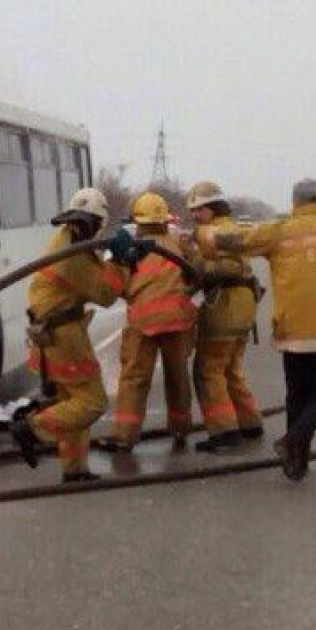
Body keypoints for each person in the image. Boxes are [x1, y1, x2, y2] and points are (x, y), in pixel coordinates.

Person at [195, 178, 316, 480]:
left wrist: (200, 234)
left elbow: (233, 240)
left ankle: (296, 460)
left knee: (297, 394)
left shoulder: (278, 231)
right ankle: (293, 443)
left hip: (293, 330)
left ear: (295, 202)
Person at [11, 188, 127, 482]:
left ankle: (74, 470)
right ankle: (32, 428)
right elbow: (105, 294)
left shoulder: (70, 240)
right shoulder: (71, 254)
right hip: (64, 337)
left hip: (55, 332)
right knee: (91, 402)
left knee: (72, 399)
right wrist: (122, 262)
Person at [100, 192, 197, 452]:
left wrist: (114, 262)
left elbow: (113, 288)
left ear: (138, 220)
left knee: (134, 379)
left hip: (143, 323)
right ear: (165, 219)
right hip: (178, 320)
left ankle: (124, 437)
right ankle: (180, 429)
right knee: (178, 377)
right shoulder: (180, 243)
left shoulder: (128, 248)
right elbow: (195, 274)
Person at [185, 181, 262, 452]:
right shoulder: (232, 228)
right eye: (192, 210)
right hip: (241, 309)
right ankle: (249, 423)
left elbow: (230, 267)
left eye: (200, 209)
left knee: (208, 370)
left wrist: (193, 268)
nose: (195, 215)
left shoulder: (213, 232)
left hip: (224, 309)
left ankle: (223, 431)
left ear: (214, 207)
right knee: (231, 370)